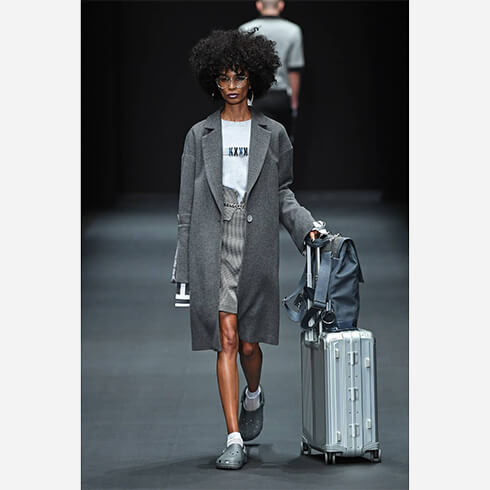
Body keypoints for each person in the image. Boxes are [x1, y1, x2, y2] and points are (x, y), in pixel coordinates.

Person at [170, 28, 326, 470]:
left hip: (255, 244)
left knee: (249, 345)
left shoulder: (273, 133)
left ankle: (253, 394)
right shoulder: (199, 135)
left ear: (253, 78)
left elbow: (283, 193)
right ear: (213, 81)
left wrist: (306, 229)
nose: (232, 85)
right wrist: (183, 268)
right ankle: (234, 437)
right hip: (213, 241)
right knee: (226, 338)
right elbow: (186, 207)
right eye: (223, 77)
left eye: (239, 76)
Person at [239, 0, 304, 139]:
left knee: (255, 144)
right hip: (281, 98)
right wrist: (294, 105)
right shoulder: (293, 31)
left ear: (259, 5)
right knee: (281, 145)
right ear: (281, 5)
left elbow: (242, 70)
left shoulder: (245, 29)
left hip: (255, 97)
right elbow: (294, 70)